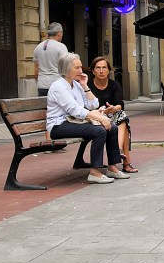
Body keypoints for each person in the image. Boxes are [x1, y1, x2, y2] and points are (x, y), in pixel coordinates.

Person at [46, 53, 129, 184]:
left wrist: (85, 86)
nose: (81, 71)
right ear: (66, 69)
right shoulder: (59, 87)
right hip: (58, 126)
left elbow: (93, 104)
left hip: (73, 122)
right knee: (99, 131)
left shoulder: (76, 84)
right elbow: (75, 110)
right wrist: (100, 118)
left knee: (112, 127)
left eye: (81, 67)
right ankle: (95, 172)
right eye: (77, 68)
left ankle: (112, 167)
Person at [88, 57, 136, 173]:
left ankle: (119, 150)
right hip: (94, 117)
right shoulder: (88, 85)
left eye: (104, 67)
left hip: (111, 115)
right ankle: (125, 161)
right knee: (123, 122)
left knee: (121, 116)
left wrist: (114, 108)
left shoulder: (114, 85)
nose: (101, 71)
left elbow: (120, 104)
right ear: (93, 71)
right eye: (98, 68)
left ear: (109, 70)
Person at [33, 22, 68, 96]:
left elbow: (36, 70)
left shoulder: (38, 47)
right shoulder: (61, 47)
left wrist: (39, 81)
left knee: (45, 107)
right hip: (57, 84)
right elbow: (66, 67)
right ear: (59, 33)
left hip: (42, 85)